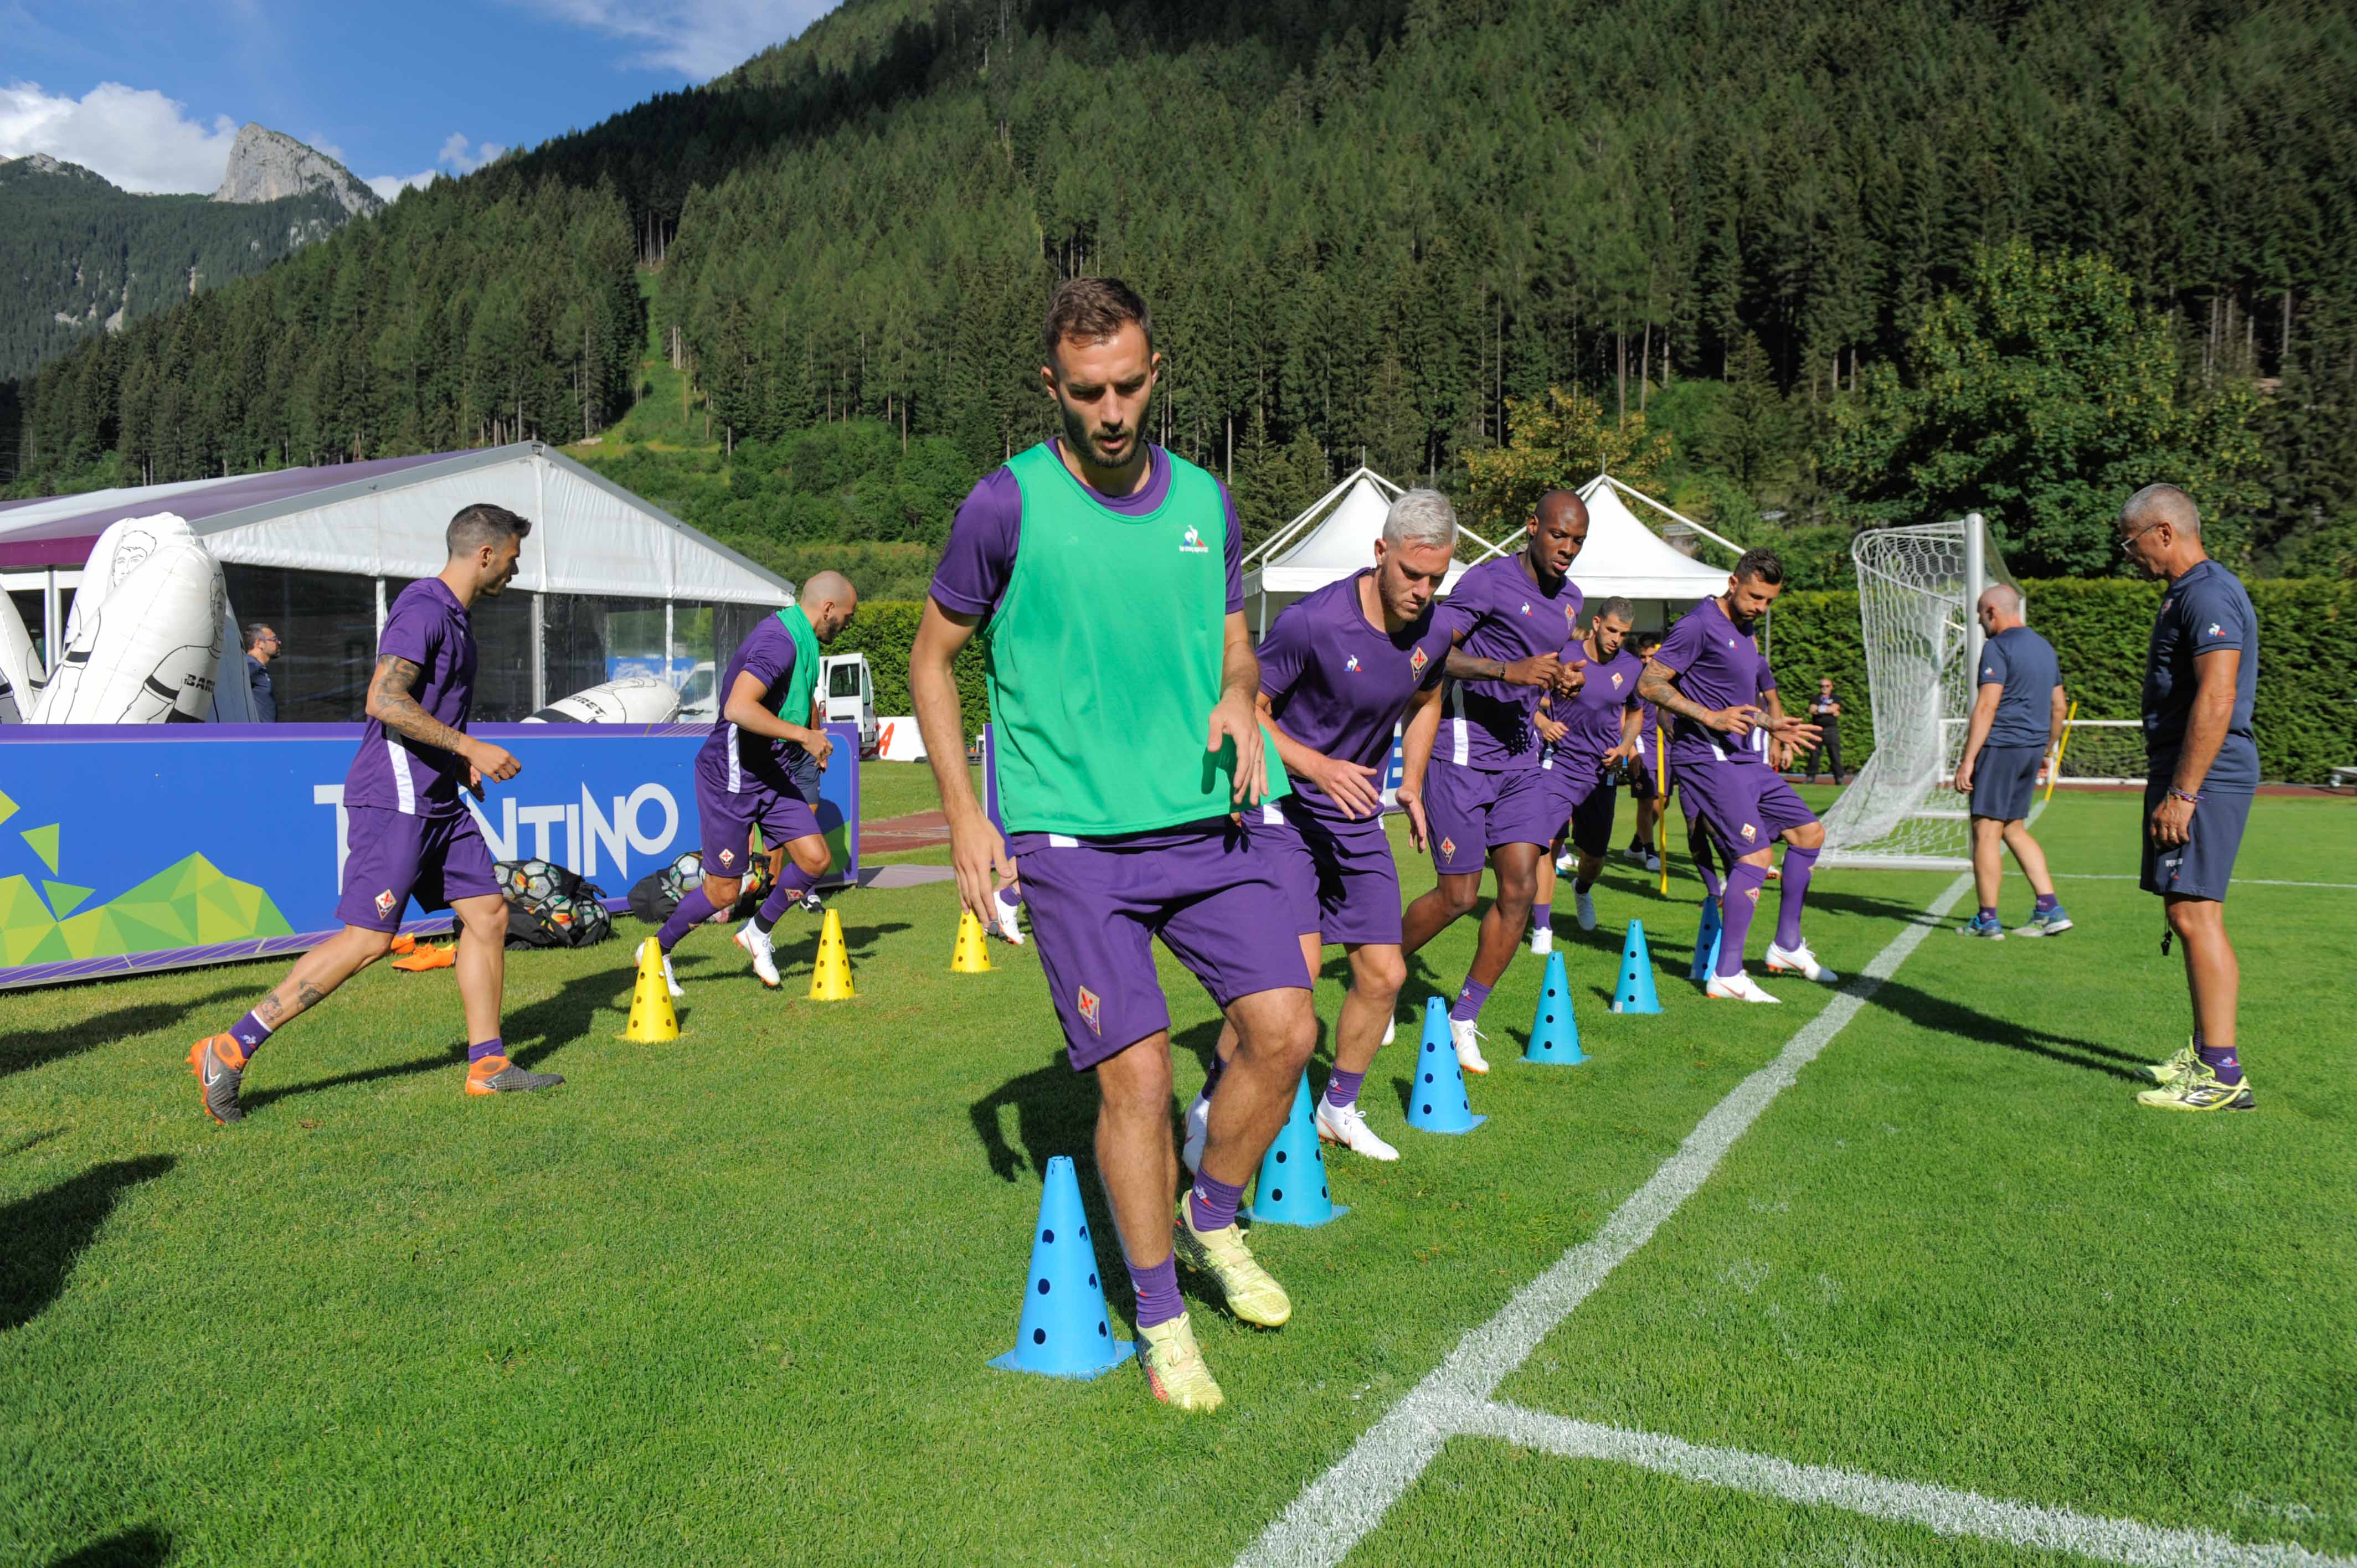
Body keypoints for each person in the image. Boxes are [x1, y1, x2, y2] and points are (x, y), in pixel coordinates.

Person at [908, 278, 1315, 1412]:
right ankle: (1161, 1317)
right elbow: (932, 660)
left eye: (1129, 384)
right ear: (1053, 387)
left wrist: (1240, 698)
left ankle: (1214, 1215)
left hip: (1203, 815)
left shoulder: (1206, 501)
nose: (1113, 410)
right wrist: (963, 817)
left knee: (1285, 1031)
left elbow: (1234, 643)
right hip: (1072, 839)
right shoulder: (1005, 506)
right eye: (1088, 391)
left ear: (1155, 371)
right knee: (1135, 1076)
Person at [187, 505, 558, 1122]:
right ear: (487, 554)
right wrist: (468, 746)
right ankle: (227, 1048)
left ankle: (488, 1064)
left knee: (489, 914)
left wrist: (455, 760)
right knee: (368, 940)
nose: (515, 572)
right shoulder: (424, 609)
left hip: (439, 795)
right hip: (396, 797)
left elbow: (426, 708)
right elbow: (384, 699)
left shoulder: (458, 619)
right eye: (513, 559)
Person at [1182, 488, 1464, 1169]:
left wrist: (1413, 784)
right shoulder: (1312, 622)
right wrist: (1317, 766)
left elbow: (1427, 699)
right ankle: (1212, 1103)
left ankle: (1337, 1107)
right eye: (1411, 575)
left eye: (1436, 579)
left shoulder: (1437, 630)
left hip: (1353, 810)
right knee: (1293, 974)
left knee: (1385, 971)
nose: (1422, 591)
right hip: (1284, 805)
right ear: (1380, 554)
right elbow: (1250, 708)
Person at [1397, 491, 1587, 1072]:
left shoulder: (1572, 601)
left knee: (1520, 889)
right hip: (1459, 756)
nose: (1567, 550)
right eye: (1559, 536)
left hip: (1520, 761)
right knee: (1459, 896)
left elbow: (1548, 666)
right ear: (1532, 527)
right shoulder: (1485, 583)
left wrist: (1564, 679)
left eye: (1577, 542)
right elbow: (1427, 653)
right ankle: (1382, 972)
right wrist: (1506, 670)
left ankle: (1464, 1017)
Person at [2117, 484, 2259, 1112]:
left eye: (2131, 542)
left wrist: (2183, 792)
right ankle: (2205, 1054)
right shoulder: (2189, 592)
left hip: (2203, 773)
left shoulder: (2206, 592)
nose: (2128, 555)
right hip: (2188, 770)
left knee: (2195, 915)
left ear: (2164, 533)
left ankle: (2222, 1076)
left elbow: (2217, 696)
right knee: (2186, 912)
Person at [1640, 549, 1834, 1003]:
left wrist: (1773, 724)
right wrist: (1710, 716)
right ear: (1733, 582)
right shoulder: (1697, 624)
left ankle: (1787, 946)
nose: (1760, 608)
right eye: (1754, 597)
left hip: (1743, 757)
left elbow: (1742, 704)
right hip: (1705, 756)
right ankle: (1727, 974)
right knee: (1755, 859)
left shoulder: (1746, 631)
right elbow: (1649, 684)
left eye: (1768, 601)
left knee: (1809, 834)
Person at [655, 571, 859, 993]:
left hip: (769, 772)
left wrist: (802, 740)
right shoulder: (780, 641)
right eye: (848, 617)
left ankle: (758, 932)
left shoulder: (804, 639)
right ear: (828, 610)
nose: (848, 625)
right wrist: (805, 736)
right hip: (731, 778)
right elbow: (737, 707)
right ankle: (658, 952)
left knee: (816, 859)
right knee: (723, 892)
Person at [1952, 585, 2071, 938]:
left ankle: (1987, 919)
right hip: (2031, 748)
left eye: (1979, 614)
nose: (1978, 621)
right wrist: (2046, 751)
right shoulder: (2044, 647)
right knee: (2014, 827)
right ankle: (2050, 908)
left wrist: (1967, 761)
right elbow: (2059, 707)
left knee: (1986, 830)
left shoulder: (1998, 647)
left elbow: (1987, 706)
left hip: (2002, 747)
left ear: (1992, 611)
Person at [1532, 598, 1644, 948]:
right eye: (1612, 630)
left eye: (1623, 634)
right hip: (1560, 763)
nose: (1616, 639)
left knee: (1594, 857)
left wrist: (1625, 747)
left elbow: (1636, 714)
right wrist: (1545, 723)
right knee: (1548, 842)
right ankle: (1542, 927)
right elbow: (1525, 696)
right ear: (1596, 623)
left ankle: (1582, 889)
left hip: (1602, 772)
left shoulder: (1631, 667)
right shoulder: (1565, 654)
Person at [1622, 630, 1666, 871]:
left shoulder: (1666, 677)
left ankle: (1636, 846)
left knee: (1663, 802)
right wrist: (1631, 749)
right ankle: (1651, 854)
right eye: (1644, 656)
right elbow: (1626, 714)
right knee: (1647, 802)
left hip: (1662, 745)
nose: (1647, 661)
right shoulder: (1634, 679)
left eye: (1652, 657)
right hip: (1643, 745)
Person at [1804, 677, 1844, 783]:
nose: (1825, 688)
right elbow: (1812, 710)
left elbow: (1834, 709)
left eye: (1827, 686)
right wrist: (1829, 710)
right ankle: (1811, 777)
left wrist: (1820, 709)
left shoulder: (1836, 698)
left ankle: (1839, 777)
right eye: (1822, 686)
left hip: (1831, 729)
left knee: (1835, 753)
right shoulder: (1815, 698)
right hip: (1817, 729)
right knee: (1814, 753)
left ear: (1831, 687)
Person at [244, 623, 280, 722]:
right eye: (274, 640)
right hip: (256, 735)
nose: (279, 642)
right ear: (259, 643)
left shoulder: (256, 667)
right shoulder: (250, 665)